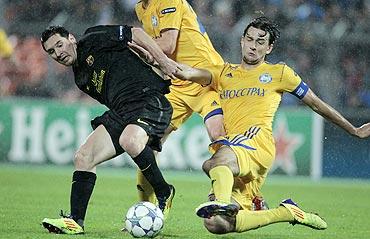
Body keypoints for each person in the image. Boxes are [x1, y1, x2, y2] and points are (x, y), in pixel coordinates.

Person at [172, 16, 370, 234]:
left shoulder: (280, 73)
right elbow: (186, 72)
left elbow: (316, 103)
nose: (253, 46)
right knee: (216, 224)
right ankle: (286, 213)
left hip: (257, 142)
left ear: (269, 48)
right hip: (235, 151)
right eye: (250, 39)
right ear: (242, 41)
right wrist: (154, 57)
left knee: (213, 164)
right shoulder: (223, 73)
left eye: (260, 42)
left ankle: (220, 200)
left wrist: (353, 129)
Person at [40, 24, 179, 234]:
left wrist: (163, 61)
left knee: (130, 140)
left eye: (60, 45)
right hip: (121, 111)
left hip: (148, 99)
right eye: (51, 51)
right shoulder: (81, 78)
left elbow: (136, 33)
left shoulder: (92, 37)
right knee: (83, 157)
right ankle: (76, 221)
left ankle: (163, 192)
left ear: (71, 38)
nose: (58, 53)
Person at [134, 0, 268, 211]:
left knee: (219, 135)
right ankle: (148, 208)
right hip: (177, 85)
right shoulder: (141, 9)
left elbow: (167, 44)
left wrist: (130, 42)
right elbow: (160, 54)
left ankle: (249, 196)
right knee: (145, 142)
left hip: (206, 79)